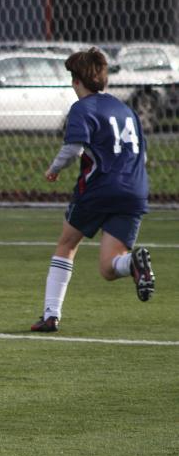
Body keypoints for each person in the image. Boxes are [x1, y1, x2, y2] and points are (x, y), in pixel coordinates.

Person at [30, 48, 154, 333]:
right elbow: (142, 156)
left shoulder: (82, 108)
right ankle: (133, 263)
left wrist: (53, 169)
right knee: (109, 268)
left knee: (67, 244)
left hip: (99, 188)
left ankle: (51, 315)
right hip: (135, 190)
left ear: (76, 81)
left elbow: (73, 149)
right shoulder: (126, 110)